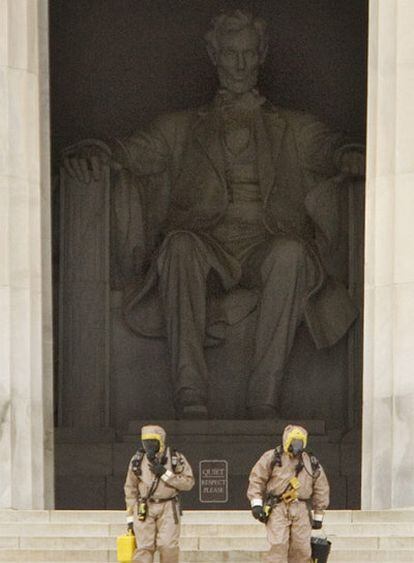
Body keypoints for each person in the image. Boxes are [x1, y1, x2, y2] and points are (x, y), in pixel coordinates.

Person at [63, 10, 365, 419]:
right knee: (179, 246)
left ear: (261, 55)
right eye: (230, 54)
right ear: (213, 54)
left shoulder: (293, 127)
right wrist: (94, 152)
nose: (239, 65)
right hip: (207, 244)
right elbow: (130, 151)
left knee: (291, 254)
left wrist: (349, 156)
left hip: (267, 242)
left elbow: (329, 148)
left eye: (247, 54)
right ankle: (190, 394)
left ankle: (265, 398)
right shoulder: (181, 128)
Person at [247, 424, 330, 562]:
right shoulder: (272, 457)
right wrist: (256, 503)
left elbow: (321, 488)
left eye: (299, 443)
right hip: (278, 507)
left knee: (302, 548)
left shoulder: (311, 462)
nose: (296, 446)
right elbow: (257, 479)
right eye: (294, 442)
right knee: (278, 546)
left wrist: (318, 515)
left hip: (301, 508)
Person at [123, 424, 195, 562]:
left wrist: (165, 473)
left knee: (168, 546)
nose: (148, 445)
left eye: (152, 441)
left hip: (168, 506)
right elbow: (130, 489)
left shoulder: (175, 458)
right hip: (144, 506)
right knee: (143, 547)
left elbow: (188, 482)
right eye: (145, 442)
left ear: (161, 441)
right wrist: (130, 519)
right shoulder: (137, 460)